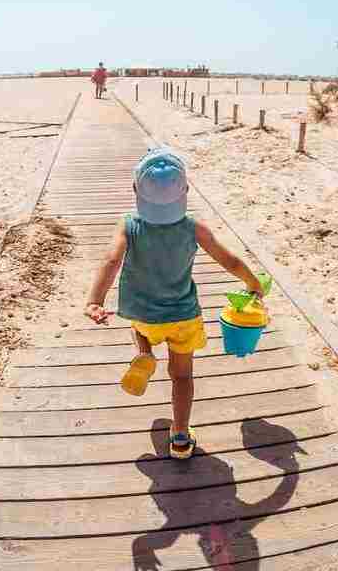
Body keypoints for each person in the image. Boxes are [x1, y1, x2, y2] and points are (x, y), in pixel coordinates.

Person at [84, 148, 264, 459]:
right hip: (183, 316)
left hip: (144, 314)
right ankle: (180, 437)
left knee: (138, 328)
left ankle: (144, 353)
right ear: (185, 191)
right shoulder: (194, 227)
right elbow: (229, 260)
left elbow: (111, 260)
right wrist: (253, 284)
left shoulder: (129, 225)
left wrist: (95, 300)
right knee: (182, 376)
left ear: (135, 190)